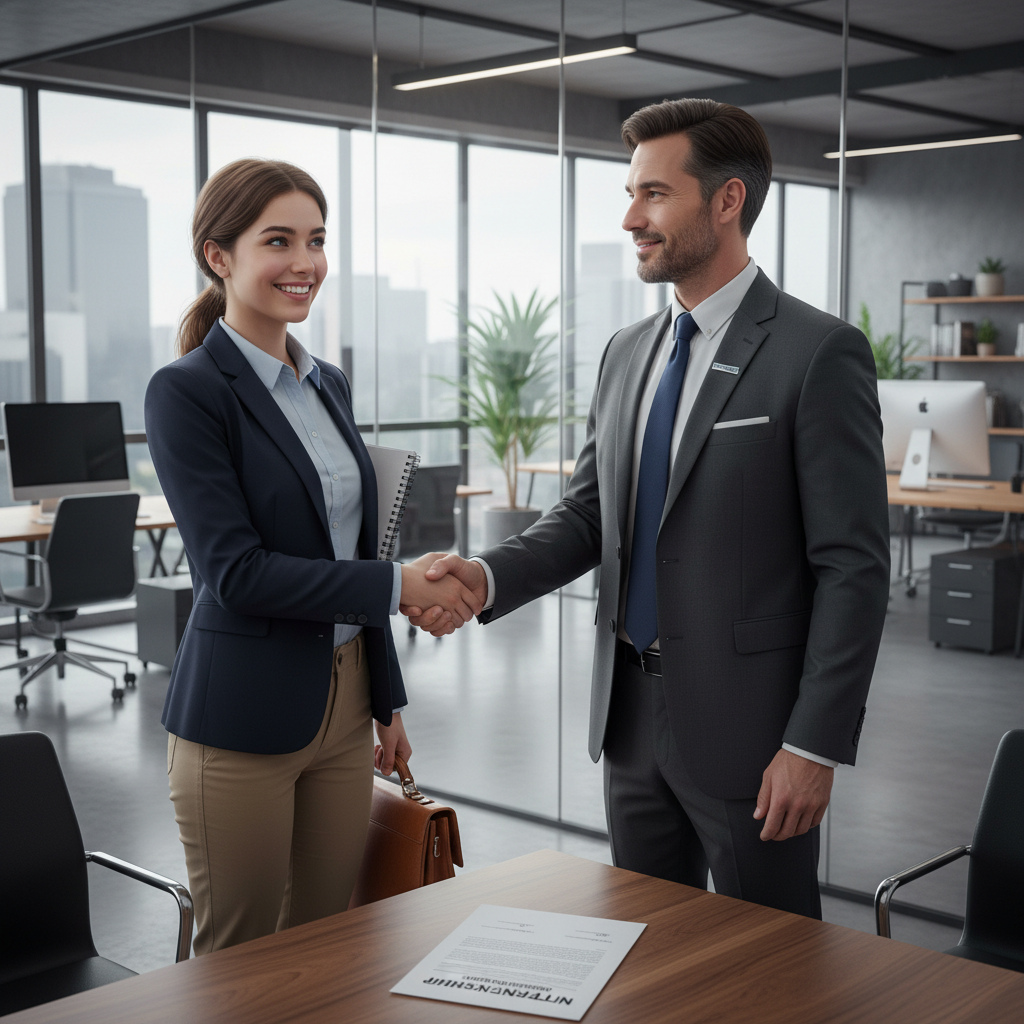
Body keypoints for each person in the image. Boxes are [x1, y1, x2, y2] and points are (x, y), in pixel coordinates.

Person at [405, 100, 890, 918]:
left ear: (727, 201)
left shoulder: (817, 352)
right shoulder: (627, 353)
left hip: (754, 734)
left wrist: (813, 743)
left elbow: (853, 567)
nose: (631, 217)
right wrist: (484, 577)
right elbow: (592, 517)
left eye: (654, 195)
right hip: (628, 722)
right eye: (630, 194)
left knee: (765, 971)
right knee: (643, 953)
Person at [145, 158, 480, 954]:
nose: (305, 263)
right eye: (279, 241)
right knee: (241, 956)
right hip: (238, 721)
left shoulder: (328, 383)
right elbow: (236, 574)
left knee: (330, 939)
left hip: (344, 707)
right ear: (219, 257)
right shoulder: (186, 391)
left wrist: (386, 701)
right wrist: (399, 587)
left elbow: (351, 546)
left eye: (318, 240)